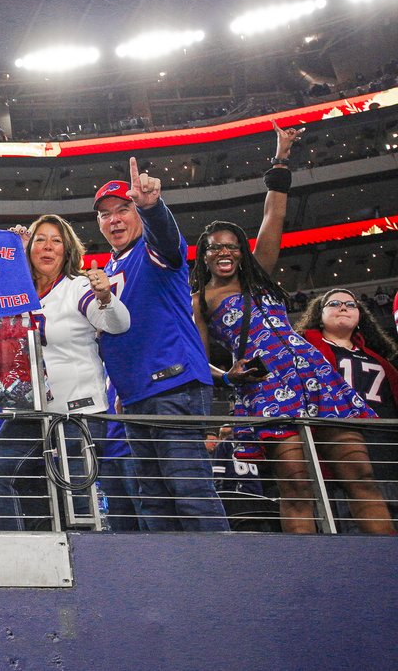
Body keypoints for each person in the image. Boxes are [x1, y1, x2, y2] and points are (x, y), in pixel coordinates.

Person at [191, 124, 392, 534]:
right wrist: (227, 376)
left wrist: (281, 158)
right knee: (296, 486)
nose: (224, 252)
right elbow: (195, 357)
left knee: (361, 477)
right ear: (205, 255)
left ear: (241, 251)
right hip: (266, 388)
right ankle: (309, 580)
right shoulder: (201, 299)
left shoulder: (259, 275)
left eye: (231, 245)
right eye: (215, 247)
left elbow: (273, 214)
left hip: (314, 373)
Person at [94, 158, 228, 531]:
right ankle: (173, 582)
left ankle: (226, 580)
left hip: (172, 385)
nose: (115, 220)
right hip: (135, 395)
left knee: (188, 492)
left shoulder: (154, 251)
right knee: (153, 500)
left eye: (124, 209)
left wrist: (153, 207)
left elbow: (169, 241)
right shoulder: (106, 270)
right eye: (106, 215)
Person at [0, 215, 130, 530]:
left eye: (56, 241)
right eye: (40, 240)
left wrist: (105, 297)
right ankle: (23, 556)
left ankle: (87, 567)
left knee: (76, 499)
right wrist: (9, 253)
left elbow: (117, 324)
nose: (48, 247)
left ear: (66, 251)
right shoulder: (14, 296)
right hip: (30, 411)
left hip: (77, 412)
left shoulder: (77, 287)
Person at [297, 289, 398, 529]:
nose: (343, 307)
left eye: (350, 305)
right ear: (318, 315)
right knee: (351, 525)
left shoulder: (378, 358)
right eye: (334, 303)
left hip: (385, 447)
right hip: (336, 446)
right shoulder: (302, 349)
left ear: (360, 316)